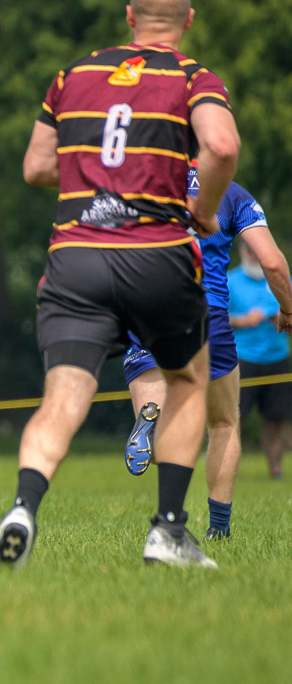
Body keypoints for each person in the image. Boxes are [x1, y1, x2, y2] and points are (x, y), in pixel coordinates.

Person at [0, 0, 239, 569]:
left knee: (62, 398)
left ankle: (23, 508)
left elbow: (35, 166)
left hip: (75, 257)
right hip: (156, 257)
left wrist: (91, 175)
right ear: (188, 20)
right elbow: (223, 146)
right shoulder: (192, 78)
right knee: (185, 380)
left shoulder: (73, 75)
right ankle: (169, 530)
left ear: (129, 17)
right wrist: (204, 210)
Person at [122, 168, 291, 538]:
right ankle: (219, 529)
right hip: (207, 315)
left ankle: (151, 419)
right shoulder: (232, 194)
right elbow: (274, 263)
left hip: (146, 307)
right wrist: (288, 310)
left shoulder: (144, 181)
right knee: (224, 423)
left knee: (157, 431)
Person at [231, 244, 292, 480]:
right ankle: (227, 469)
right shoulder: (230, 281)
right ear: (242, 252)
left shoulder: (282, 280)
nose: (255, 256)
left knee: (275, 420)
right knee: (236, 418)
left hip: (277, 357)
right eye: (251, 251)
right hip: (243, 358)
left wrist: (283, 316)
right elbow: (214, 319)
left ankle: (276, 472)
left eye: (259, 251)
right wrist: (242, 320)